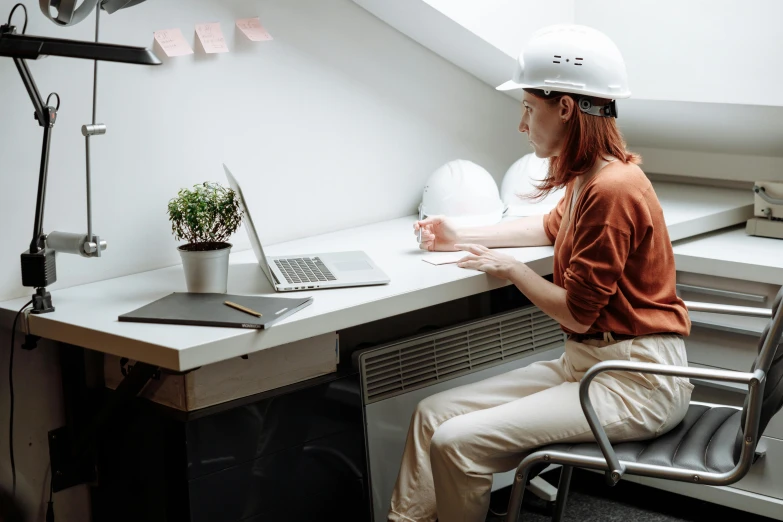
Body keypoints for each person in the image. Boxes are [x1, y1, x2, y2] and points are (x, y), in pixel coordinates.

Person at [388, 24, 692, 522]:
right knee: (432, 417)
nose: (522, 124)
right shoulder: (590, 176)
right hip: (590, 365)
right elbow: (550, 228)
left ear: (566, 108)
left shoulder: (612, 188)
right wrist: (457, 237)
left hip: (634, 382)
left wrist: (512, 271)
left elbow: (576, 313)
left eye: (529, 107)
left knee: (456, 442)